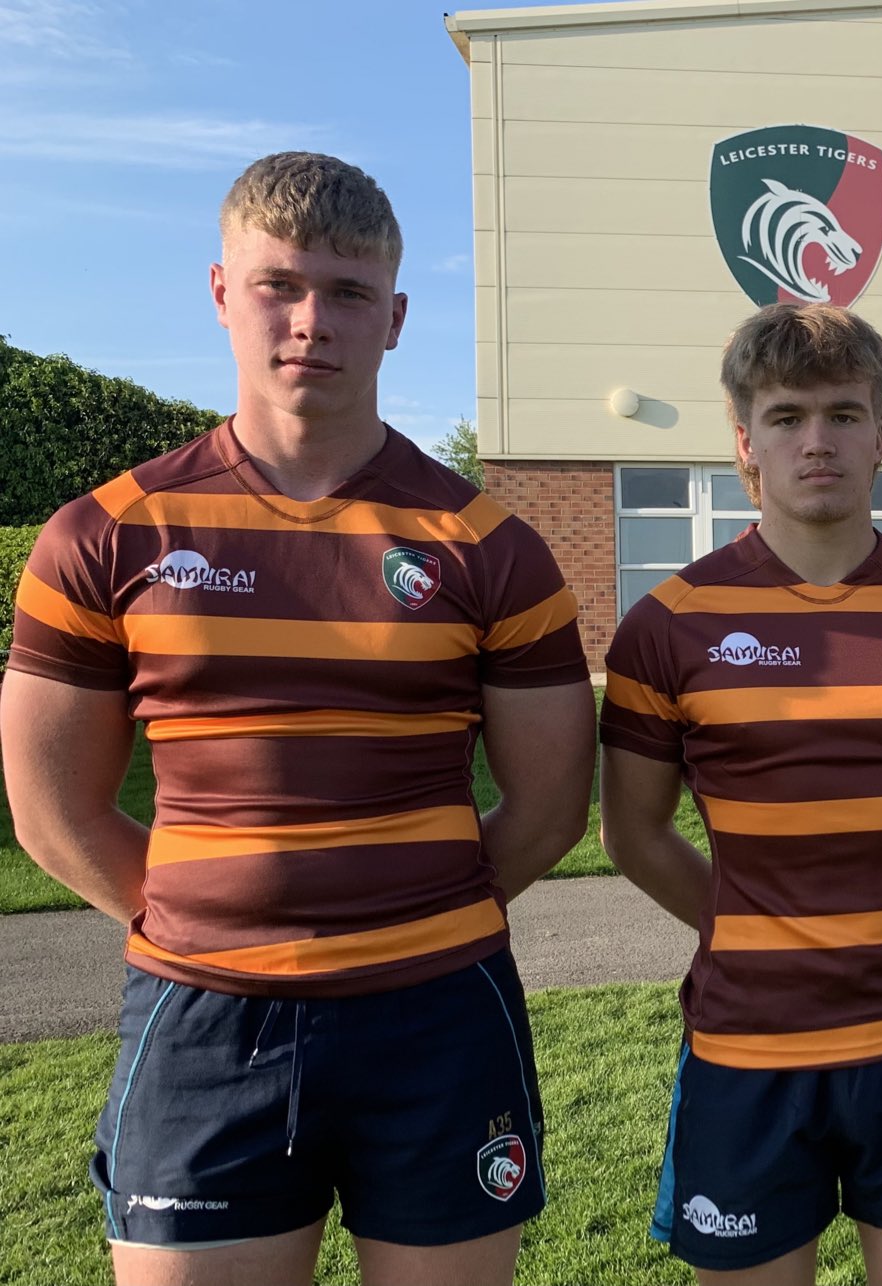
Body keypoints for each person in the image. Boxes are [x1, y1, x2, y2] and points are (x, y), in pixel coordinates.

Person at [0, 152, 594, 1285]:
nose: (312, 320)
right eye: (279, 284)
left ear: (395, 318)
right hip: (201, 1017)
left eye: (350, 292)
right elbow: (53, 811)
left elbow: (552, 805)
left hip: (438, 1010)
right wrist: (199, 917)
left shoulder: (490, 546)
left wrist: (414, 910)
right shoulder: (105, 534)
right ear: (222, 291)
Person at [598, 302, 882, 1286]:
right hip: (747, 1045)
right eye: (787, 415)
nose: (817, 441)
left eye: (843, 413)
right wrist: (748, 925)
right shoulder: (667, 626)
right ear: (744, 440)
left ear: (880, 433)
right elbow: (633, 833)